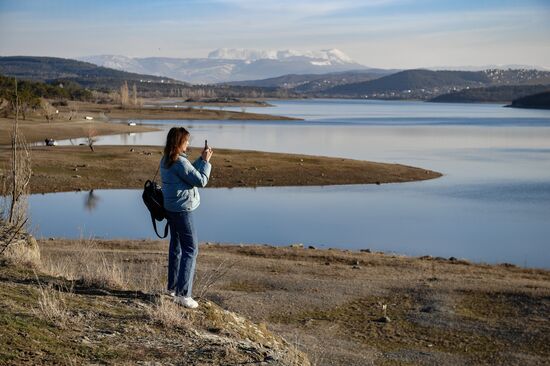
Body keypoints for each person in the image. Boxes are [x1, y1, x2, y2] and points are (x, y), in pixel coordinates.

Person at [160, 127, 213, 308]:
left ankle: (173, 289)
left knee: (176, 247)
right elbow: (200, 181)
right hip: (183, 210)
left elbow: (189, 174)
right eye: (187, 140)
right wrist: (206, 162)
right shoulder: (180, 163)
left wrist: (200, 160)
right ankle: (184, 295)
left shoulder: (167, 159)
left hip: (171, 209)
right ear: (179, 142)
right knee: (191, 249)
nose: (188, 143)